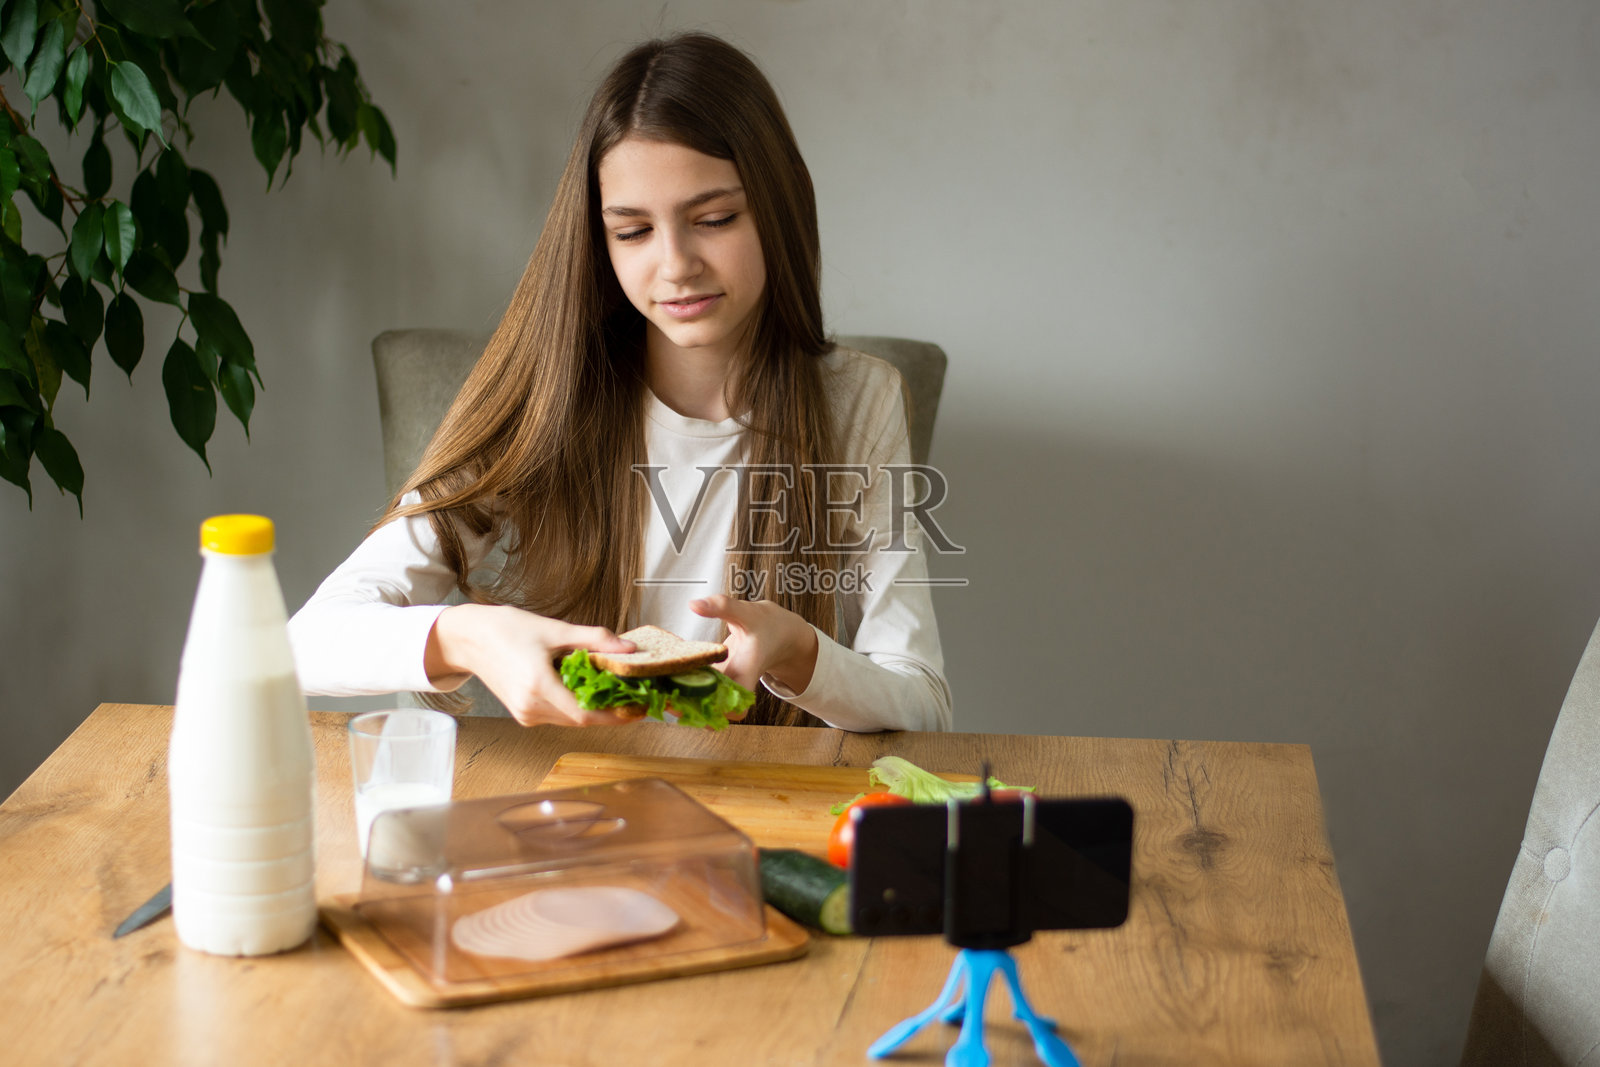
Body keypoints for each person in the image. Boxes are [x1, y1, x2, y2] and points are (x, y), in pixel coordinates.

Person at [289, 32, 951, 733]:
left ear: (778, 206)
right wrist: (470, 636)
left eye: (714, 219)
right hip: (576, 809)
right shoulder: (551, 400)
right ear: (599, 243)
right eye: (632, 231)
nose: (676, 264)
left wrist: (798, 650)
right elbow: (305, 644)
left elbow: (924, 705)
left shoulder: (858, 400)